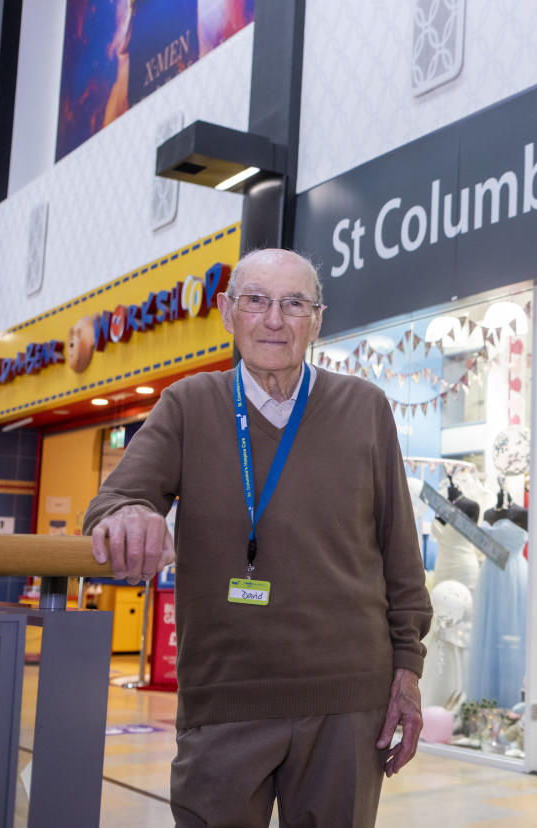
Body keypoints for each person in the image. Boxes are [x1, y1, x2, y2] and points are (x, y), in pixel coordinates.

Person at [84, 248, 432, 827]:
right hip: (226, 698)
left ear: (317, 320)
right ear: (228, 312)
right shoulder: (188, 405)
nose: (275, 319)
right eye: (257, 301)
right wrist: (129, 515)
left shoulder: (364, 407)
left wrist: (408, 667)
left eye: (294, 303)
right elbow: (113, 501)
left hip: (346, 701)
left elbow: (400, 550)